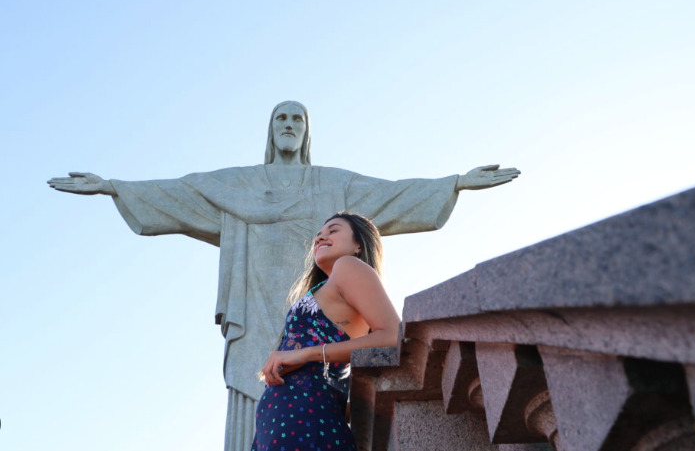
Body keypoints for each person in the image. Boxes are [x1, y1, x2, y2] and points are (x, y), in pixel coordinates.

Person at [47, 100, 520, 451]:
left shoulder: (335, 187)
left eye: (297, 119)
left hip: (311, 397)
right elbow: (184, 194)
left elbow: (392, 196)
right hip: (258, 312)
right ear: (270, 130)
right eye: (281, 118)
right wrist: (113, 187)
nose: (289, 125)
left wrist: (453, 183)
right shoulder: (240, 185)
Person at [252, 212, 398, 451]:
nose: (321, 237)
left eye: (333, 230)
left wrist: (306, 354)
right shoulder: (324, 287)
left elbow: (392, 337)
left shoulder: (347, 266)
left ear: (359, 244)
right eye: (318, 235)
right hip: (279, 419)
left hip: (301, 418)